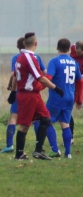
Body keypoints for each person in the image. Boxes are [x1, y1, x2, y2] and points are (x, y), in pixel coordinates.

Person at [8, 32, 64, 160]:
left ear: (24, 43)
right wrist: (56, 88)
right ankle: (19, 154)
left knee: (45, 119)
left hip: (32, 94)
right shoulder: (29, 58)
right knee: (25, 125)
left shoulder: (20, 57)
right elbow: (41, 78)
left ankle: (39, 150)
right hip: (28, 95)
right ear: (36, 44)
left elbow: (15, 76)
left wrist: (13, 91)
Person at [1, 37, 46, 153]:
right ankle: (39, 145)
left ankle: (10, 145)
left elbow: (14, 74)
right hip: (34, 92)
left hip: (21, 91)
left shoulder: (17, 57)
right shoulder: (36, 57)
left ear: (18, 47)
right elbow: (44, 73)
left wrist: (11, 87)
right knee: (37, 118)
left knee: (13, 117)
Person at [47, 39, 83, 159]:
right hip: (69, 97)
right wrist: (79, 99)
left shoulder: (54, 61)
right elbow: (80, 81)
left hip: (57, 97)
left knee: (45, 121)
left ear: (57, 47)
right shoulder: (74, 62)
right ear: (69, 49)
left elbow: (48, 77)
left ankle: (55, 149)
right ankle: (68, 153)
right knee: (65, 124)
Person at [68, 41, 83, 144]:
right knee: (67, 110)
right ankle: (70, 137)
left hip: (80, 81)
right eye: (77, 51)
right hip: (72, 85)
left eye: (80, 52)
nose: (78, 53)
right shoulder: (72, 48)